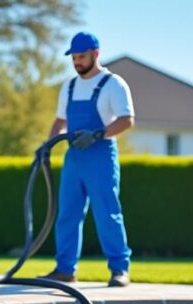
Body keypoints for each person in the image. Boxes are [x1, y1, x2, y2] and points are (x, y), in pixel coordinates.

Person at [43, 32, 135, 287]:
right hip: (74, 158)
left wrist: (98, 134)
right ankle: (65, 269)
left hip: (101, 155)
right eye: (73, 57)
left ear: (96, 54)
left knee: (107, 212)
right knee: (68, 214)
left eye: (81, 56)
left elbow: (127, 120)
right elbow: (60, 121)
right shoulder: (69, 86)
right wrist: (48, 145)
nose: (77, 62)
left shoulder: (113, 84)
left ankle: (119, 269)